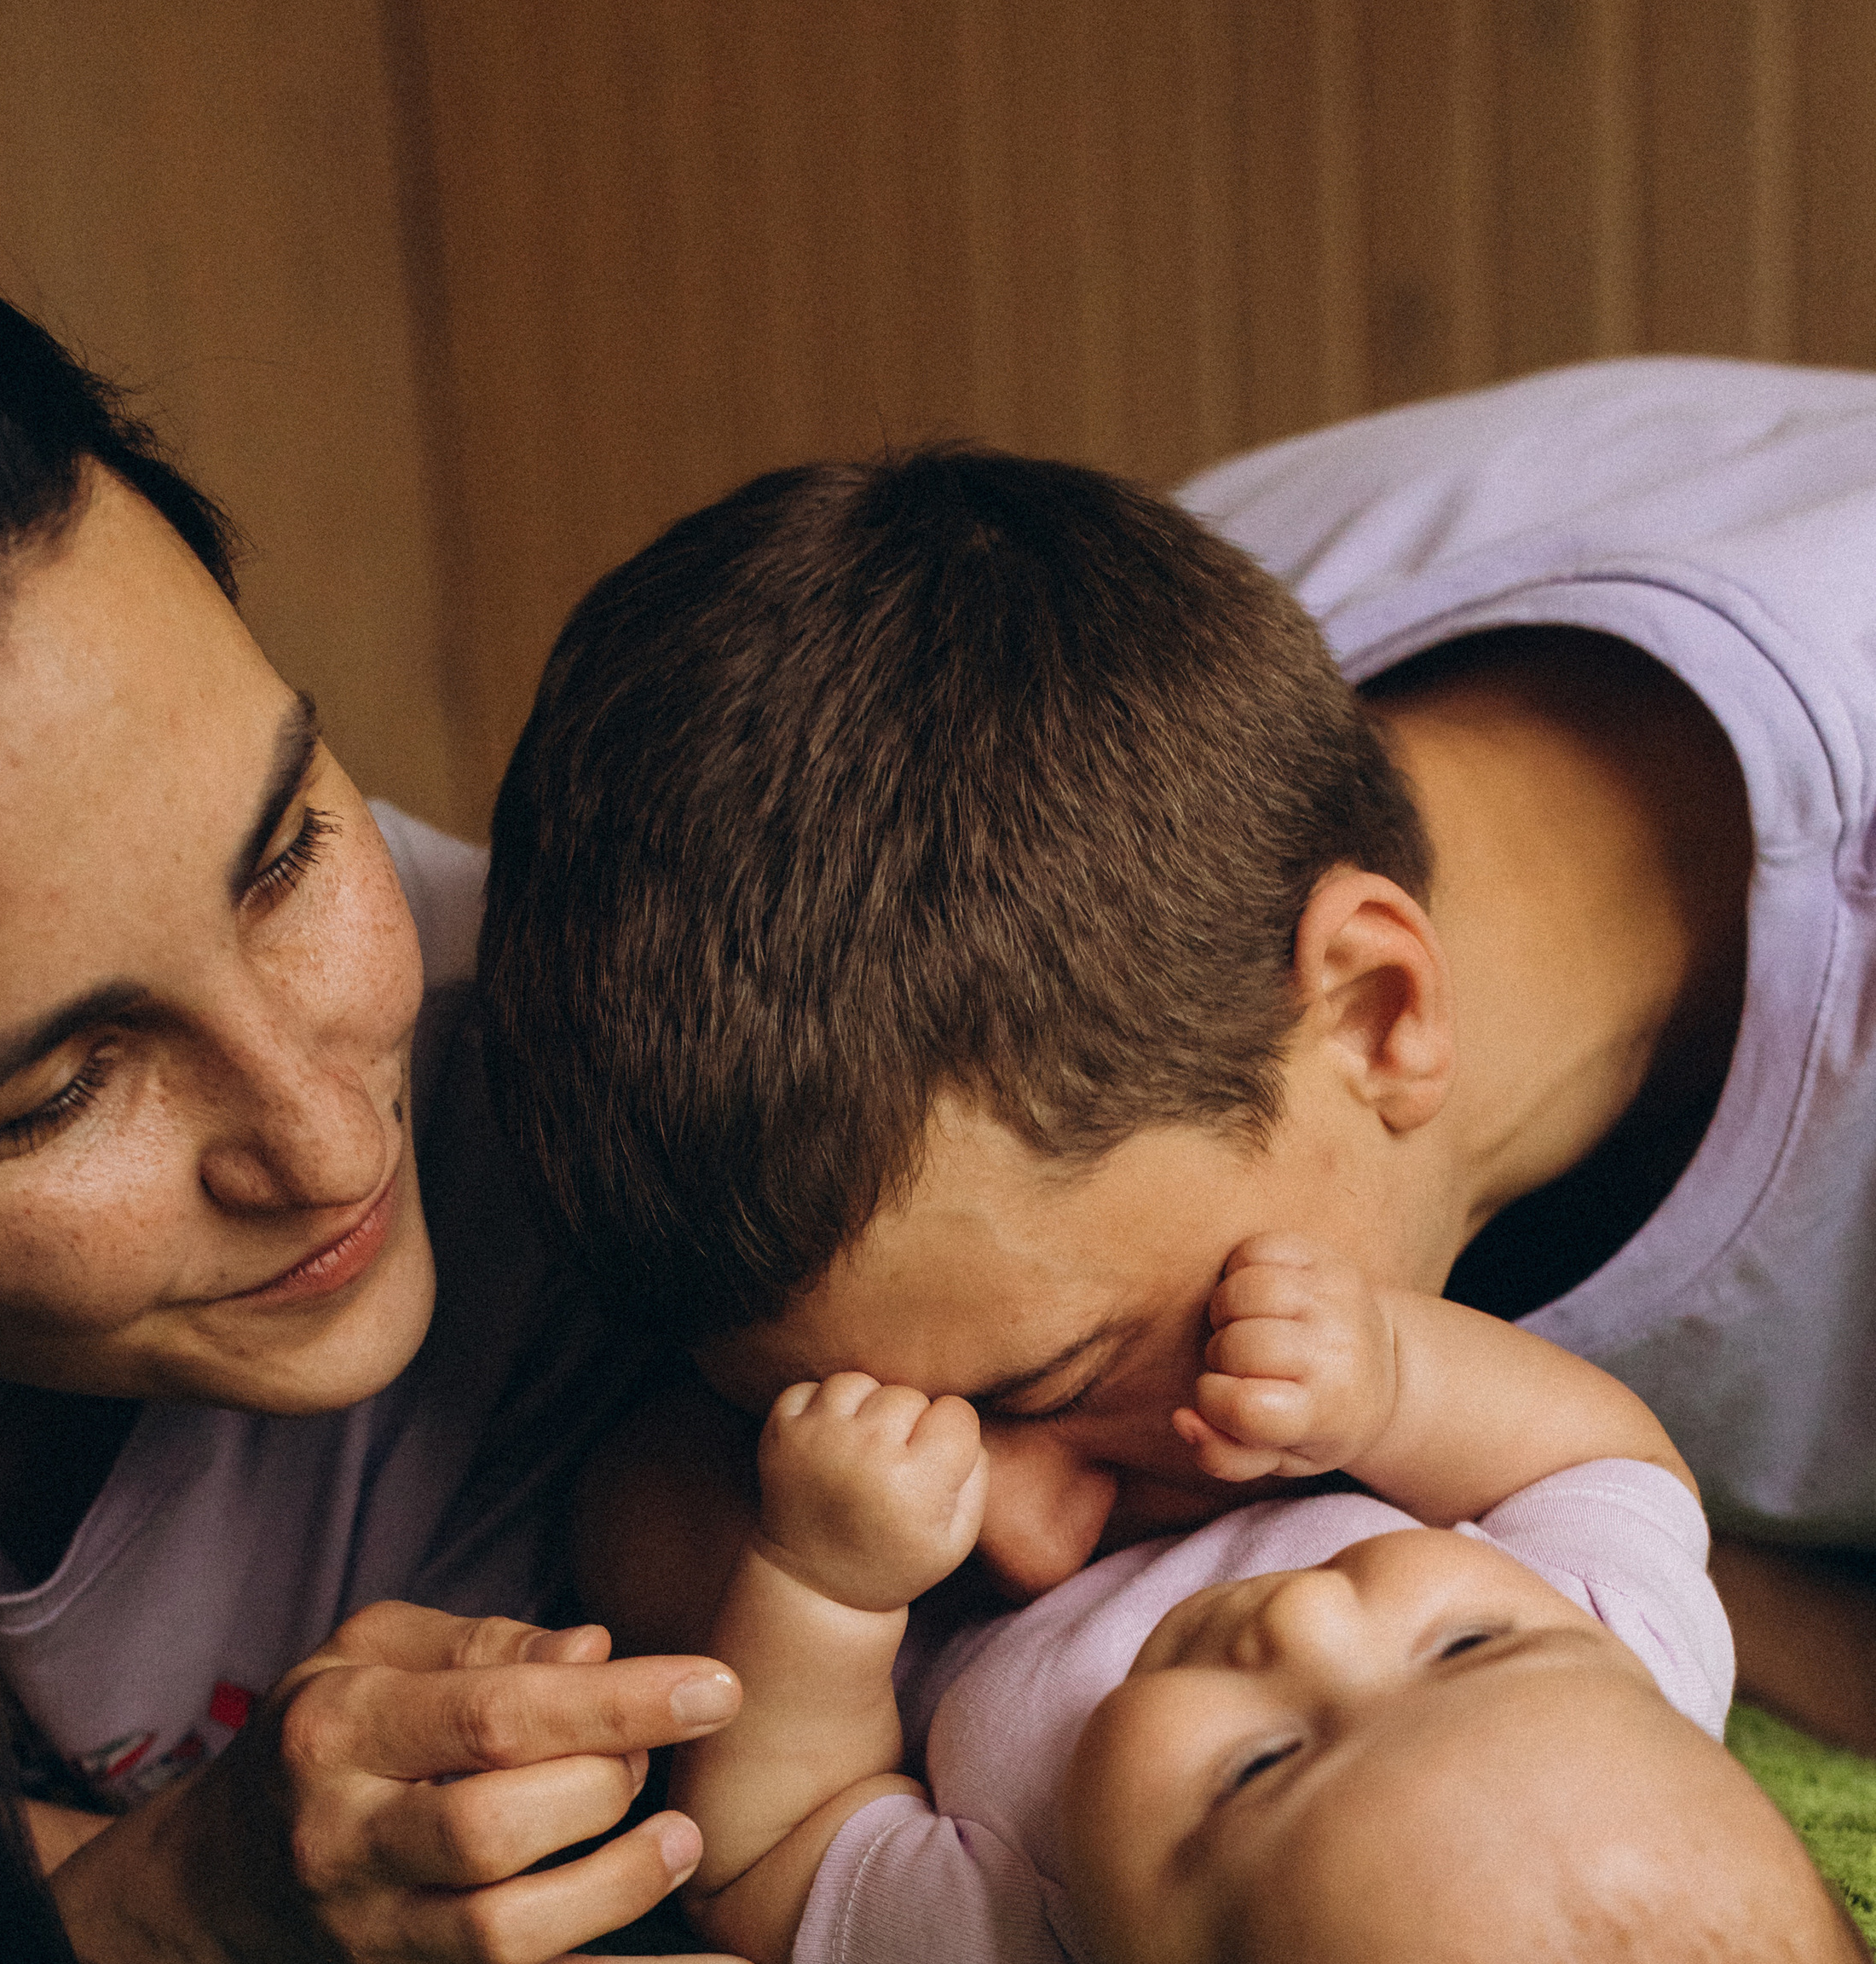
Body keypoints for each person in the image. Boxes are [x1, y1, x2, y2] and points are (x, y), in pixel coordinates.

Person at [0, 179, 761, 1964]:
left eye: (284, 851)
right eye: (49, 1097)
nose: (327, 1135)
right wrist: (178, 1912)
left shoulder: (645, 1078)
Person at [477, 426, 1876, 1747]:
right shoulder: (1035, 671)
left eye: (1061, 1382)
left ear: (1375, 1010)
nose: (1022, 1552)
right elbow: (638, 1497)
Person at [667, 1234, 1876, 1964]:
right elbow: (1603, 1457)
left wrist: (826, 1589)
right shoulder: (1638, 1645)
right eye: (1467, 1648)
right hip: (1186, 1404)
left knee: (647, 1524)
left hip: (913, 1534)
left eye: (1257, 1769)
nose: (1308, 1622)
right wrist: (1393, 1383)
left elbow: (768, 1853)